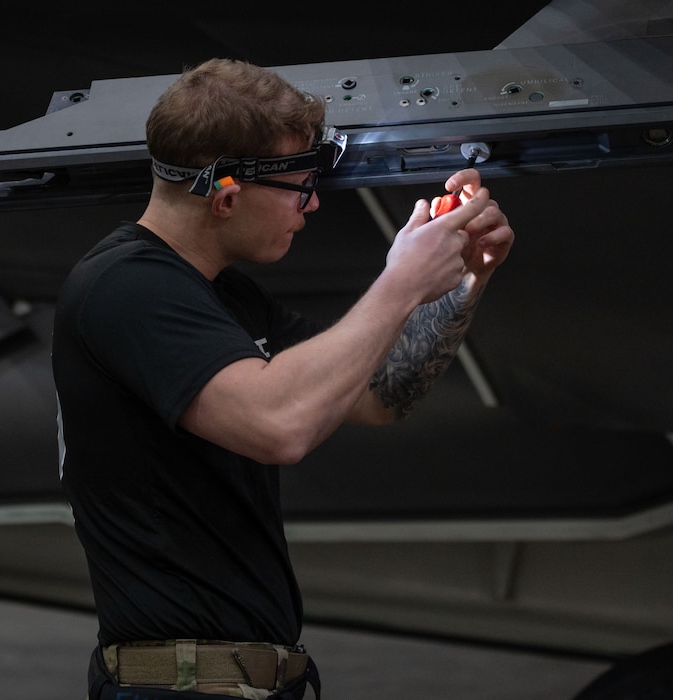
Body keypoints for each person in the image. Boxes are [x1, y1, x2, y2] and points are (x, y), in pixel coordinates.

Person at [52, 57, 514, 700]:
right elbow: (281, 426)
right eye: (301, 185)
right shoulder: (126, 288)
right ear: (228, 195)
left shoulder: (223, 298)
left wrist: (464, 275)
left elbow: (380, 394)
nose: (313, 202)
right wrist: (400, 281)